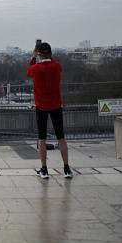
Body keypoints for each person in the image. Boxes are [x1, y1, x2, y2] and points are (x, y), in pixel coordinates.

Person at [26, 41, 73, 179]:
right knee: (61, 138)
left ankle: (44, 169)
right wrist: (47, 57)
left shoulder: (35, 69)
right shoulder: (56, 67)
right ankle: (66, 168)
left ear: (38, 54)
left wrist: (33, 57)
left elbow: (29, 71)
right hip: (56, 105)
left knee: (42, 139)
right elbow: (55, 64)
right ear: (51, 54)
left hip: (41, 106)